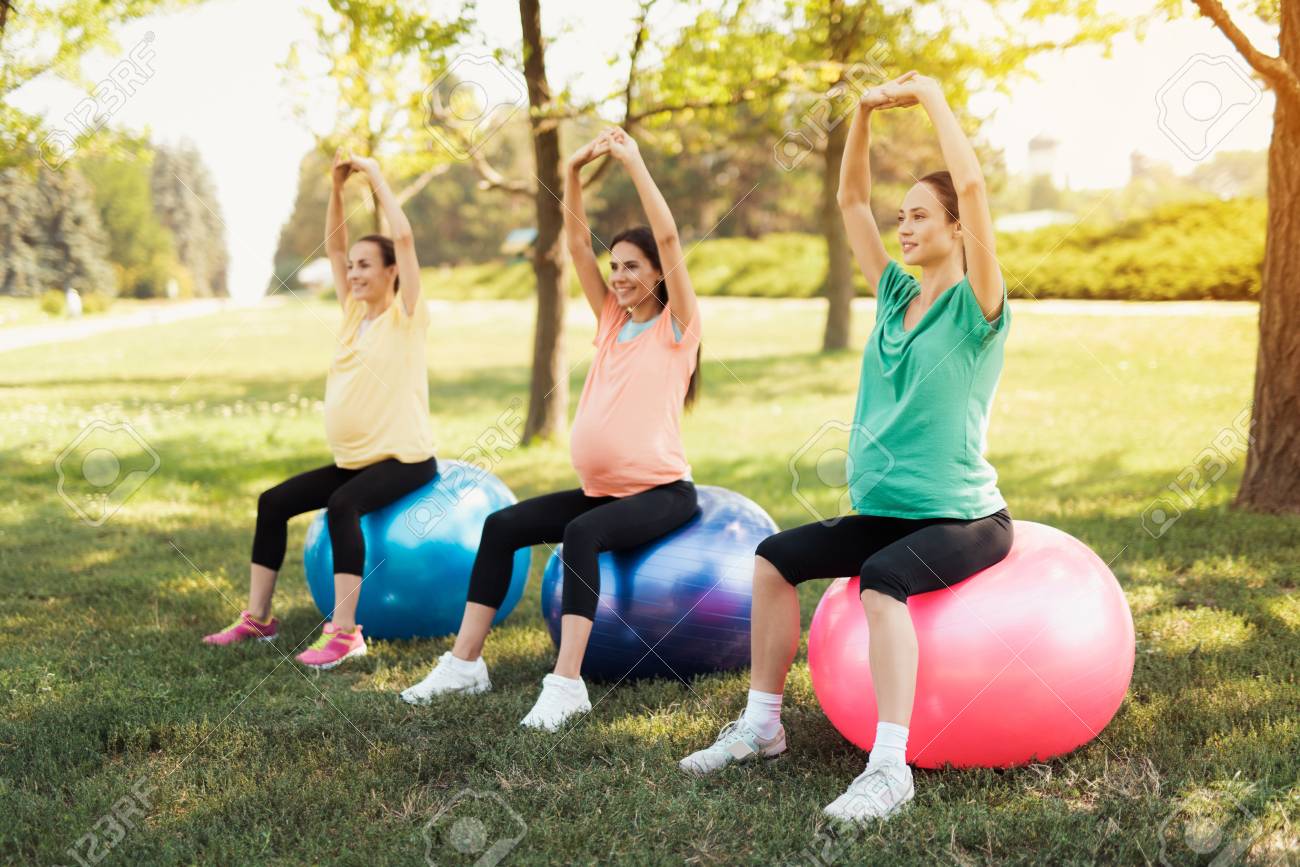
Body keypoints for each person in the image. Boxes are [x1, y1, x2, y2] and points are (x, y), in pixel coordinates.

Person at [679, 71, 1014, 823]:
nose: (904, 227)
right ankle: (762, 724)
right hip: (889, 507)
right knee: (774, 559)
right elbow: (850, 202)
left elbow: (975, 187)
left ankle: (890, 767)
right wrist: (861, 114)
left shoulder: (977, 306)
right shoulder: (896, 297)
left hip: (964, 518)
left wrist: (929, 95)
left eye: (922, 216)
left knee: (882, 578)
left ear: (959, 229)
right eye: (905, 217)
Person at [400, 127, 703, 730]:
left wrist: (633, 160)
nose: (618, 276)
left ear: (659, 273)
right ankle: (464, 664)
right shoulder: (613, 323)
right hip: (602, 491)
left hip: (661, 496)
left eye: (632, 267)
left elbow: (668, 234)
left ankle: (566, 684)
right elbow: (570, 240)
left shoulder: (678, 327)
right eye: (614, 265)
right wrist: (567, 172)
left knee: (582, 536)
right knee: (502, 525)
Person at [203, 149, 437, 670]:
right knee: (272, 501)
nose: (352, 274)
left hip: (405, 461)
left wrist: (374, 175)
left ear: (393, 273)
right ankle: (259, 618)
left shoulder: (406, 315)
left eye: (364, 266)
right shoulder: (354, 315)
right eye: (351, 267)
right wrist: (336, 189)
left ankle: (346, 632)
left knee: (343, 507)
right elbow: (332, 248)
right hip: (354, 461)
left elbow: (403, 237)